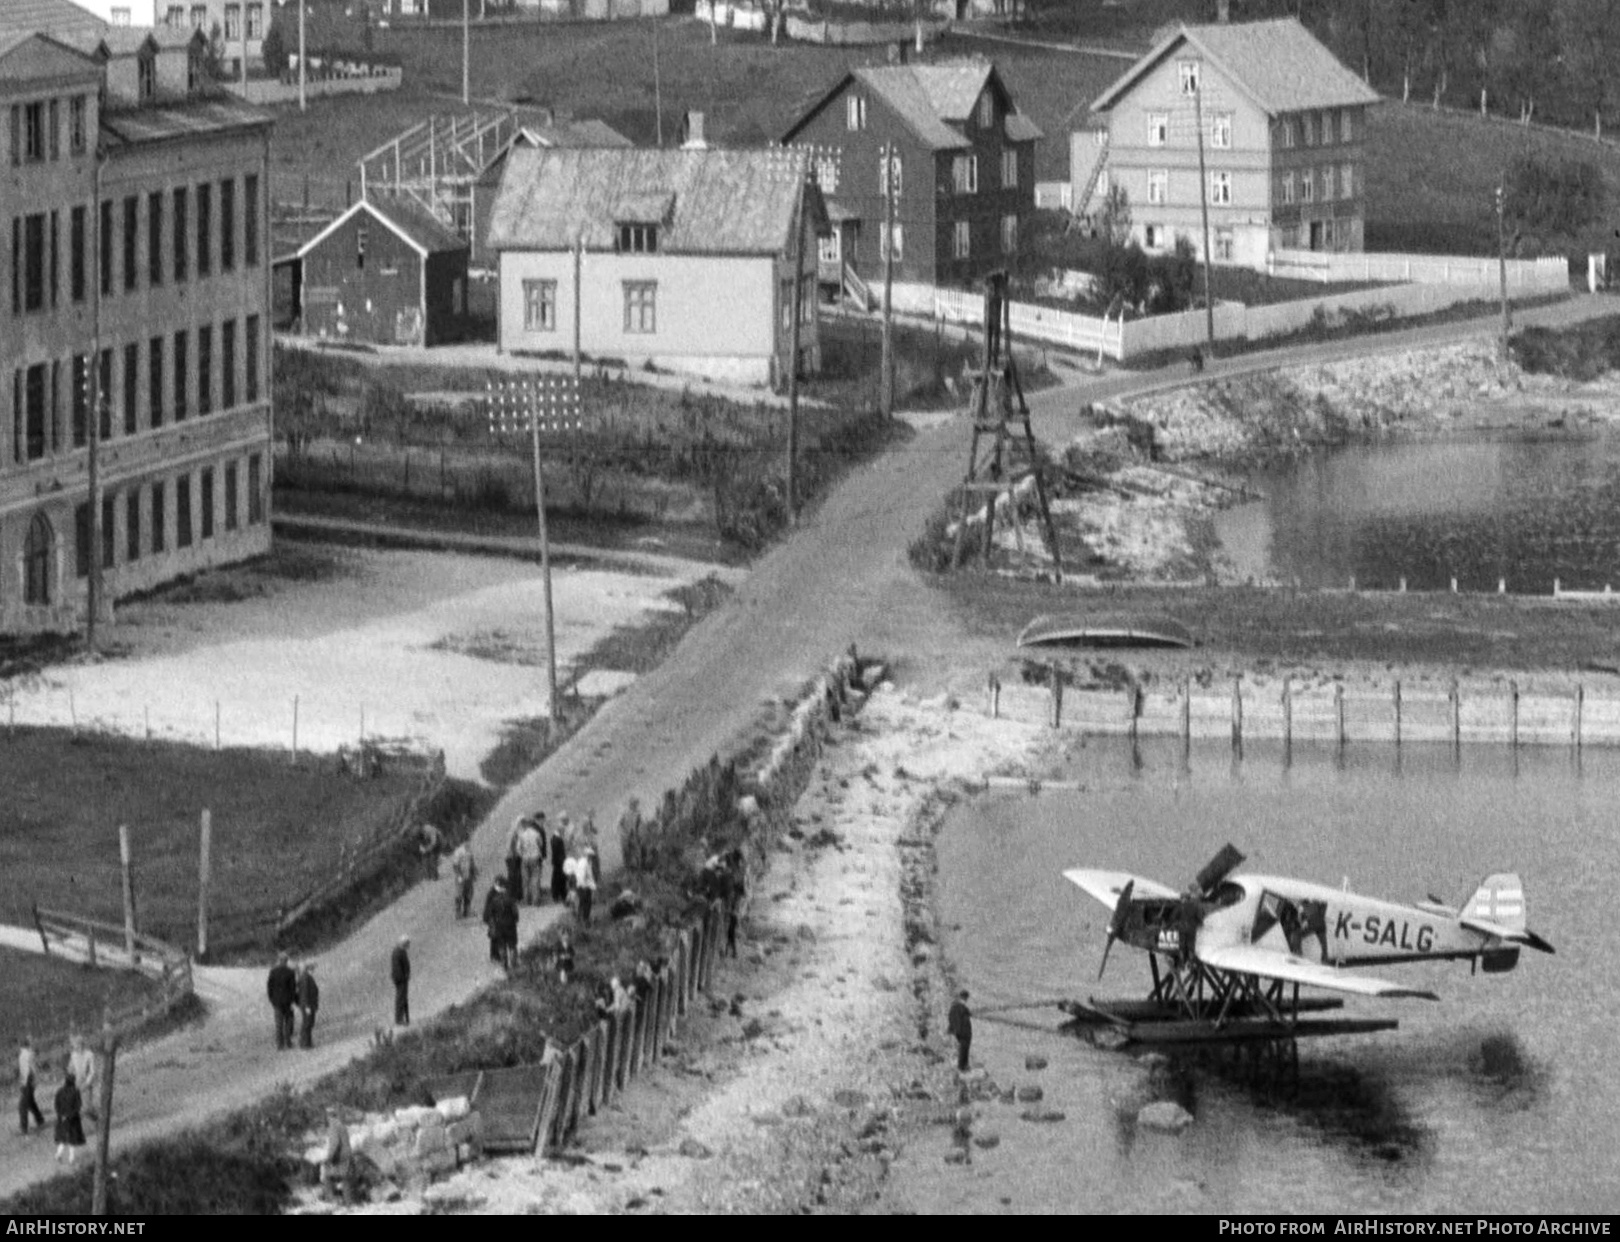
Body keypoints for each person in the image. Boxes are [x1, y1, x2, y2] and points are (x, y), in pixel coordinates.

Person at [267, 952, 298, 1051]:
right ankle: (288, 1042)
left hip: (276, 1002)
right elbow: (293, 988)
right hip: (287, 1001)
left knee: (278, 1023)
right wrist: (294, 1001)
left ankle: (280, 1045)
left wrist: (272, 1000)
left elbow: (269, 987)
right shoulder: (290, 972)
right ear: (286, 961)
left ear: (278, 960)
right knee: (289, 1021)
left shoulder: (273, 971)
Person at [53, 1071, 84, 1164]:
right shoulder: (76, 1091)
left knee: (63, 1138)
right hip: (73, 1119)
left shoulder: (59, 1091)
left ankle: (58, 1154)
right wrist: (70, 1115)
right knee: (72, 1140)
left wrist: (61, 1115)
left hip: (61, 1119)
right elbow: (78, 1105)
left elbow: (56, 1104)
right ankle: (71, 1158)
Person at [17, 1037, 44, 1136]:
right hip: (27, 1080)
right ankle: (40, 1119)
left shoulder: (26, 1054)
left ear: (21, 1045)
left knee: (22, 1106)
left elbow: (33, 1068)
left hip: (28, 1080)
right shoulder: (27, 1053)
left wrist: (34, 1080)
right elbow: (28, 1068)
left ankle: (24, 1128)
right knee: (31, 1102)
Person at [518, 816, 545, 906]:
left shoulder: (522, 834)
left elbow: (518, 848)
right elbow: (541, 844)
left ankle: (526, 900)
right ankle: (535, 901)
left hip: (525, 858)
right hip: (535, 857)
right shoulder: (536, 833)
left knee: (525, 880)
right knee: (535, 879)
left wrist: (522, 855)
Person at [67, 1034, 95, 1121]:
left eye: (75, 1045)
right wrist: (70, 1070)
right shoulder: (73, 1055)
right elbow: (70, 1068)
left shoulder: (89, 1055)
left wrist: (87, 1083)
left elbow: (92, 1071)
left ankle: (97, 1119)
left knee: (86, 1109)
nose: (74, 1047)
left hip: (86, 1082)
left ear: (80, 1044)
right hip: (76, 1082)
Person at [482, 878, 509, 964]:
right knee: (496, 937)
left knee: (495, 937)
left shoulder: (493, 893)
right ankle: (495, 955)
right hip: (493, 919)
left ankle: (495, 955)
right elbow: (490, 909)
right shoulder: (493, 894)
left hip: (494, 919)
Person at [947, 990, 973, 1073]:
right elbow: (955, 1019)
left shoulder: (959, 1007)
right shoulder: (958, 1007)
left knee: (965, 1048)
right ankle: (962, 1066)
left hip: (964, 1031)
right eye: (965, 997)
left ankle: (964, 1065)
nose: (965, 999)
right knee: (963, 1048)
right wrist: (957, 1030)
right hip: (963, 1031)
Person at [450, 841, 477, 920]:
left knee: (469, 893)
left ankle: (467, 911)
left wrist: (474, 873)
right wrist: (458, 875)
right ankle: (458, 913)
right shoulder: (458, 852)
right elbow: (455, 865)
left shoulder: (469, 850)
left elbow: (472, 862)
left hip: (468, 876)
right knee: (459, 894)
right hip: (461, 876)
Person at [297, 961, 320, 1049]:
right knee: (307, 1023)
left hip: (308, 1004)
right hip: (307, 1005)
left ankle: (307, 1042)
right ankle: (305, 1044)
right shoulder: (306, 978)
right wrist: (307, 1006)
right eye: (313, 969)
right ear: (309, 969)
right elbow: (305, 993)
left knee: (309, 1023)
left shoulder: (306, 977)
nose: (314, 970)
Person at [504, 817, 526, 909]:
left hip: (514, 857)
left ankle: (516, 897)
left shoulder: (514, 831)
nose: (524, 824)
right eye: (523, 822)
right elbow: (509, 846)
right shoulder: (514, 832)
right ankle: (513, 897)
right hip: (512, 857)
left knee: (516, 877)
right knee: (514, 877)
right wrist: (513, 854)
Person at [390, 936, 411, 1027]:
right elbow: (400, 967)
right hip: (401, 978)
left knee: (401, 998)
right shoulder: (400, 952)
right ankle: (399, 1019)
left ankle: (401, 1018)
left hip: (398, 978)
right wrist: (405, 976)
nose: (409, 946)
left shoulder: (396, 951)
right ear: (405, 944)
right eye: (408, 944)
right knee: (401, 998)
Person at [549, 818, 568, 904]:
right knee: (560, 880)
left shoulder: (554, 838)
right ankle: (559, 895)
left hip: (557, 862)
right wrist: (563, 861)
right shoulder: (557, 839)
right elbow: (559, 852)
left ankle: (557, 895)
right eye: (563, 831)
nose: (564, 832)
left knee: (557, 879)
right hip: (559, 862)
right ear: (560, 830)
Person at [576, 849, 597, 926]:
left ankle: (584, 919)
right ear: (587, 856)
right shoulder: (583, 863)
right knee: (585, 904)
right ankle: (583, 920)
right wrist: (584, 886)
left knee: (587, 904)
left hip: (587, 887)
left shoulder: (588, 863)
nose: (591, 858)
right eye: (590, 856)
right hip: (583, 887)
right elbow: (580, 876)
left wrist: (593, 887)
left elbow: (590, 877)